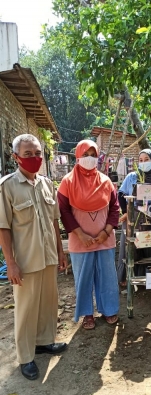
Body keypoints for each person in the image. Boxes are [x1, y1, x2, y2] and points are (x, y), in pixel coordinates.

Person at [0, 134, 68, 381]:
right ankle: (26, 357)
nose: (34, 158)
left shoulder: (47, 183)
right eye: (28, 154)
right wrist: (11, 263)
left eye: (38, 153)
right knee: (26, 308)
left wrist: (61, 252)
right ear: (16, 157)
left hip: (49, 255)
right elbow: (3, 227)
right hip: (25, 260)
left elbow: (54, 222)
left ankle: (44, 341)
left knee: (48, 302)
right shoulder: (7, 186)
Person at [58, 139, 119, 330]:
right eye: (85, 155)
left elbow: (115, 209)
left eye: (93, 155)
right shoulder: (67, 182)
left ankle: (109, 309)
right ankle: (87, 314)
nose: (90, 159)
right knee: (83, 278)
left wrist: (106, 232)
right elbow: (64, 212)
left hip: (104, 239)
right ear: (77, 156)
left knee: (107, 277)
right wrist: (80, 235)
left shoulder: (106, 181)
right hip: (80, 241)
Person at [117, 148, 151, 283]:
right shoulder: (132, 176)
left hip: (147, 218)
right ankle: (124, 278)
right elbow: (120, 194)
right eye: (140, 160)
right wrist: (125, 212)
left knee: (146, 246)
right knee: (127, 247)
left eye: (146, 160)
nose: (143, 163)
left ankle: (144, 278)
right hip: (132, 217)